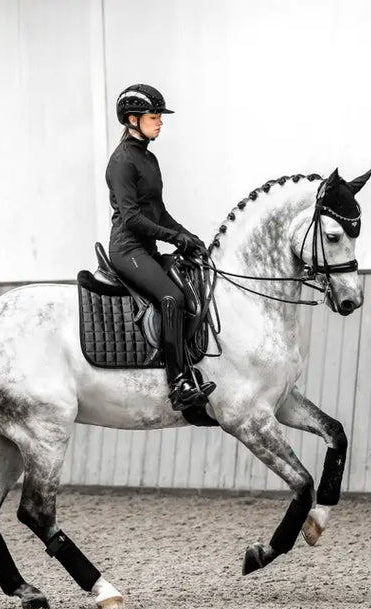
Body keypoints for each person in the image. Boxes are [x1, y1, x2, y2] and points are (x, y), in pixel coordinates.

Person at [105, 83, 215, 411]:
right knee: (172, 298)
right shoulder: (122, 162)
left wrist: (188, 236)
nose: (160, 122)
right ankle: (178, 383)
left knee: (190, 283)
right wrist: (174, 239)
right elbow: (133, 218)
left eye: (159, 116)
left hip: (147, 249)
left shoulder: (148, 159)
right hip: (127, 249)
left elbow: (159, 212)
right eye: (154, 116)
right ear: (132, 120)